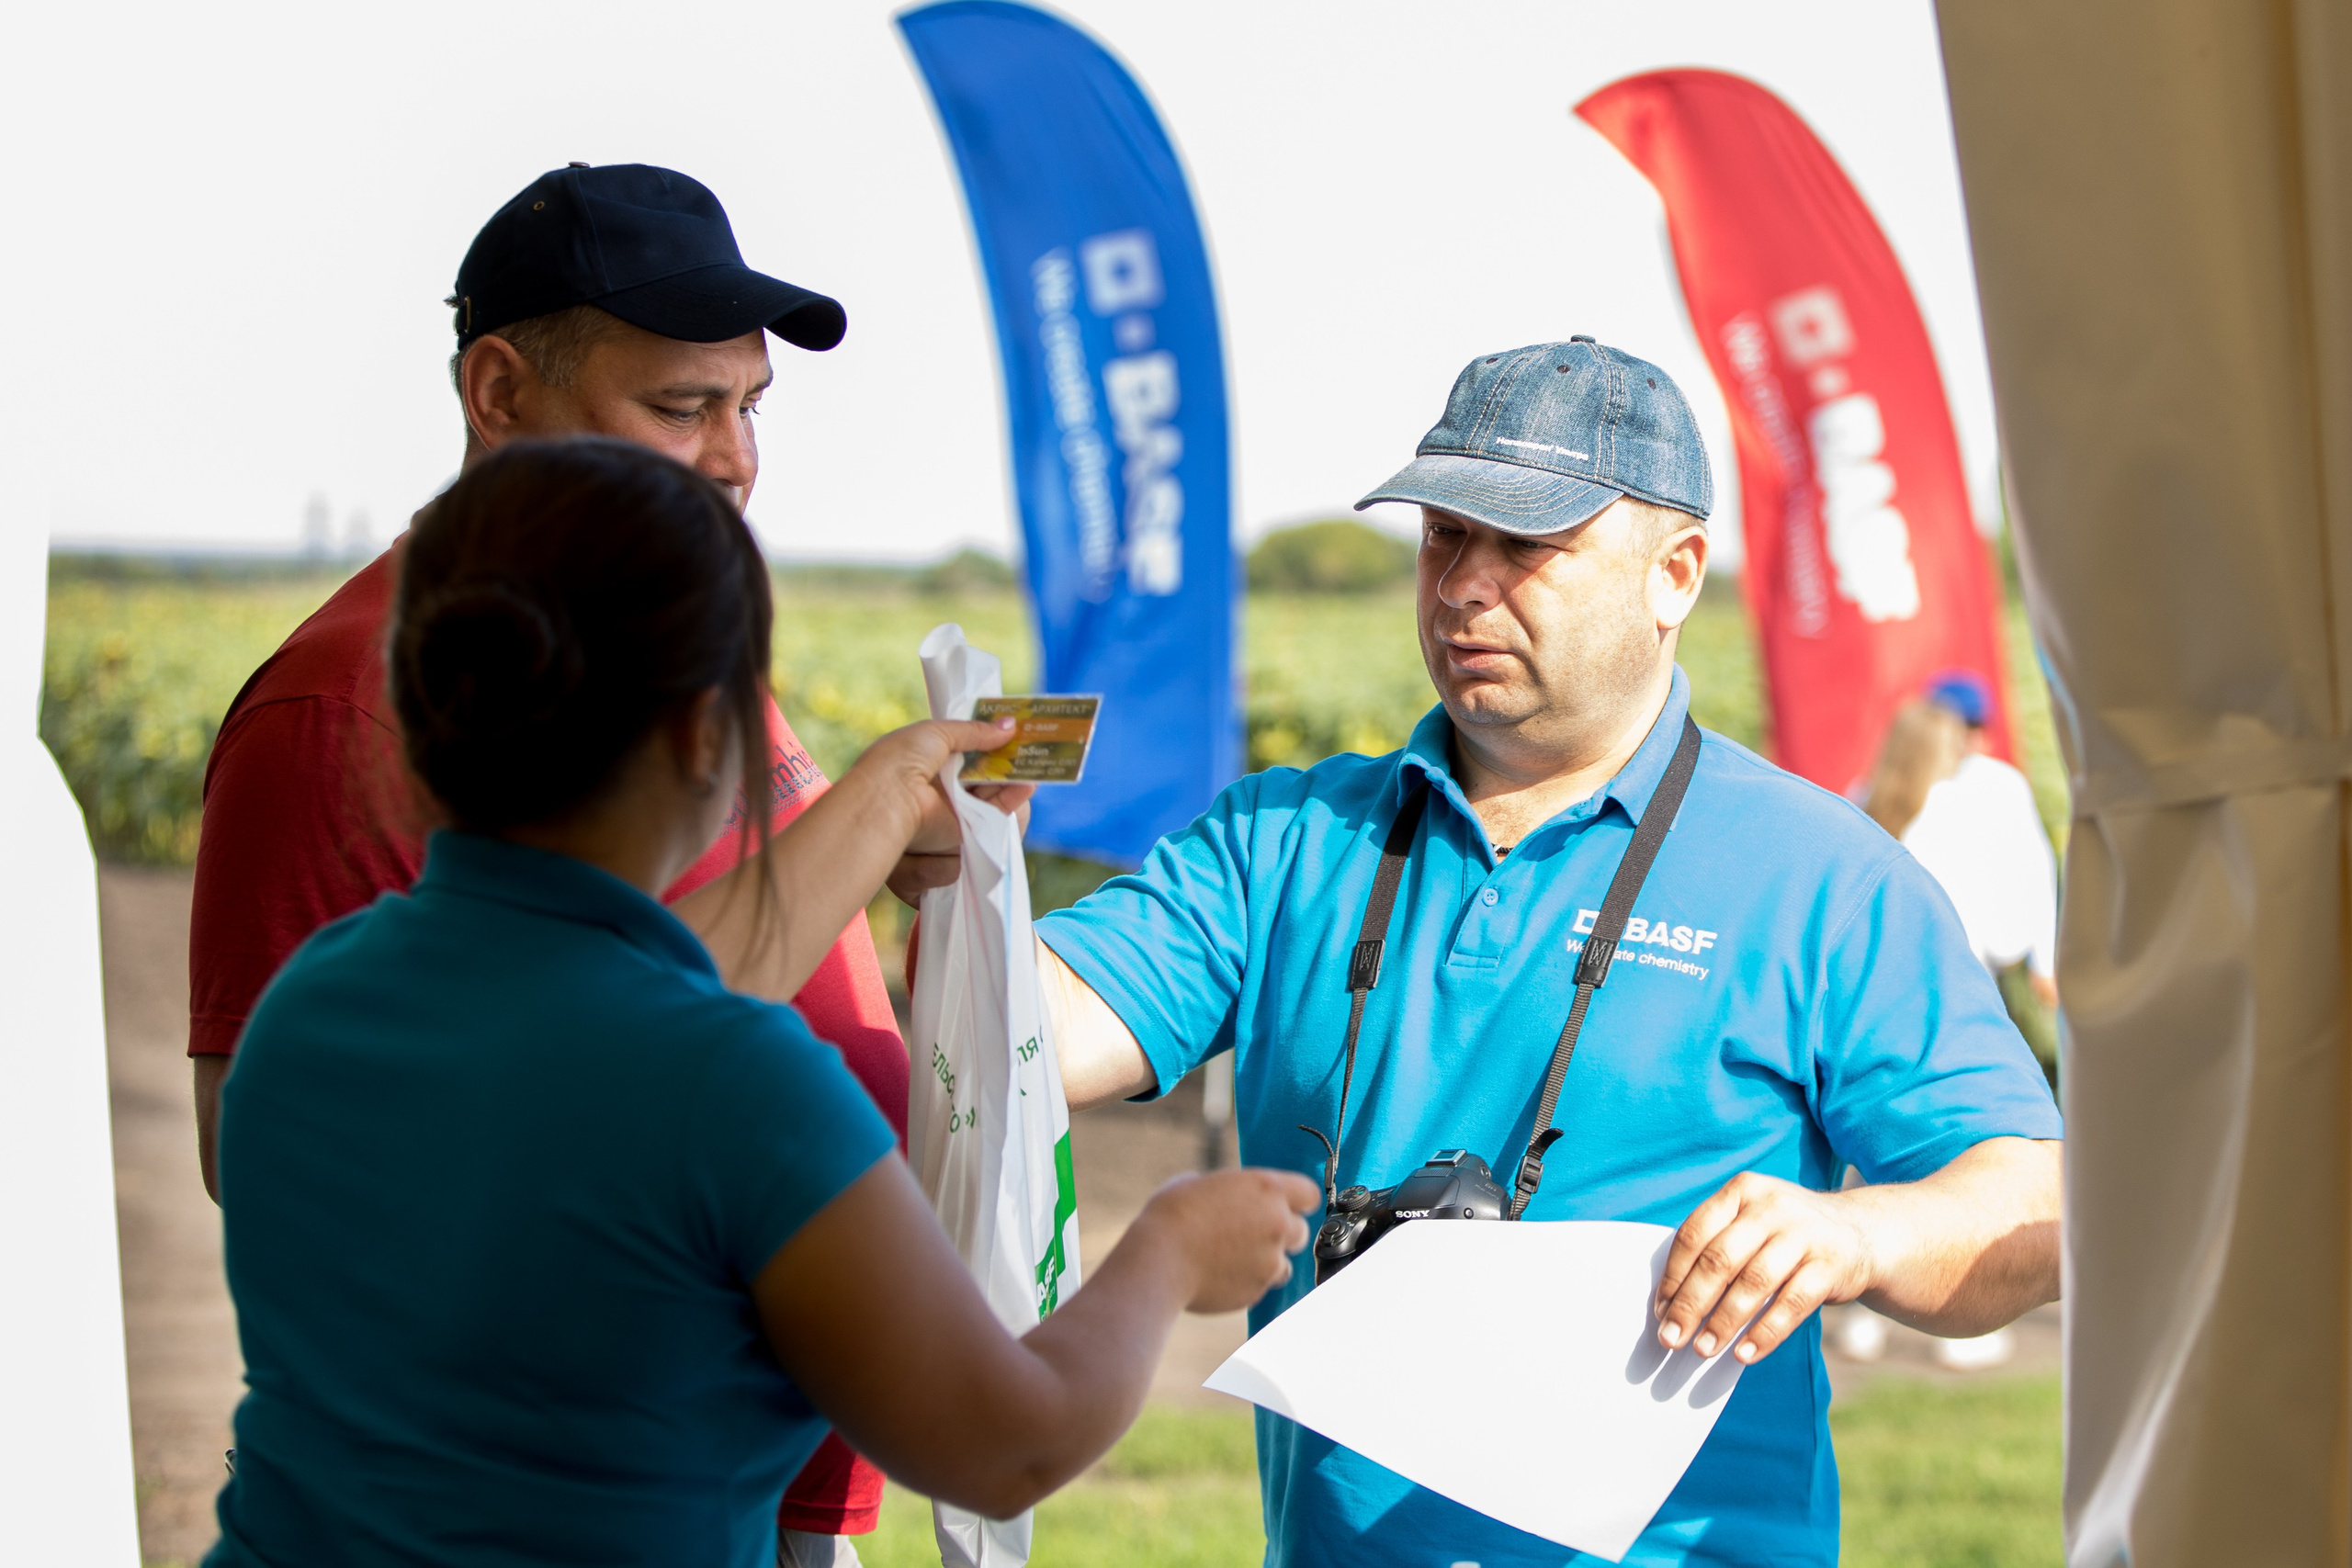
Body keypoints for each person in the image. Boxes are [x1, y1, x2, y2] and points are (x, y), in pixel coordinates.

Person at [1023, 339, 2065, 1566]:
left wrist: (1857, 1237)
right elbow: (1010, 1037)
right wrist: (947, 876)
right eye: (1442, 536)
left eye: (1526, 546)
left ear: (1675, 572)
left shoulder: (1824, 876)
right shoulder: (1285, 836)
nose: (1464, 585)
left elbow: (2029, 1208)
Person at [204, 439, 1318, 1568]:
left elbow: (613, 1006)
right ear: (705, 739)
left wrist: (886, 796)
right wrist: (1169, 1251)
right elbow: (1003, 1443)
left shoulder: (317, 1001)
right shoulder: (731, 1084)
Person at [187, 164, 928, 1558]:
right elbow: (279, 1153)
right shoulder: (346, 704)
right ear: (497, 389)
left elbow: (694, 968)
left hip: (759, 1477)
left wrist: (901, 825)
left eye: (749, 407)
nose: (735, 458)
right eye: (680, 406)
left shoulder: (667, 633)